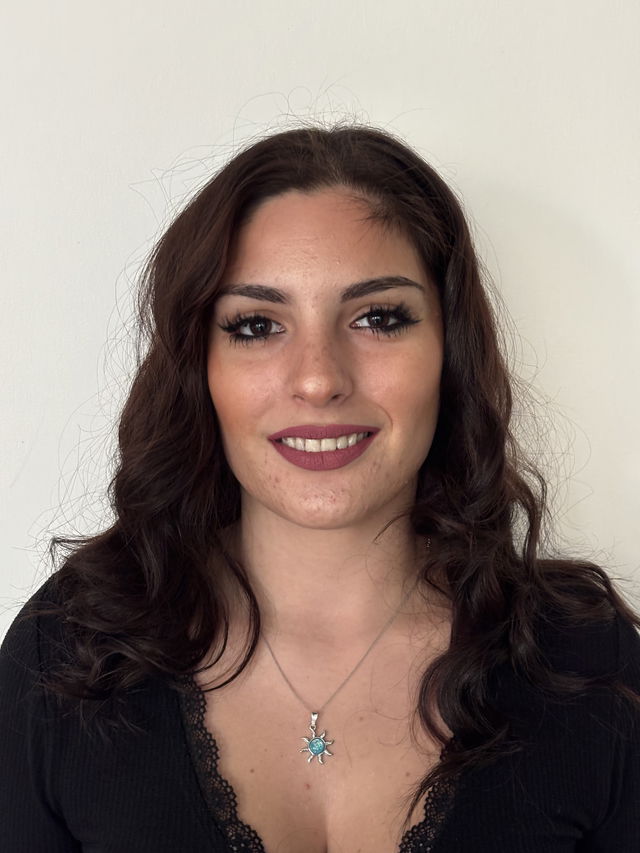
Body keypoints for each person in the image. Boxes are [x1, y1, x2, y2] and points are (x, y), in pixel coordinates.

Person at [1, 125, 639, 853]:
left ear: (450, 353)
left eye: (378, 318)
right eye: (256, 325)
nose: (317, 378)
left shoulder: (587, 665)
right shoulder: (70, 654)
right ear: (198, 367)